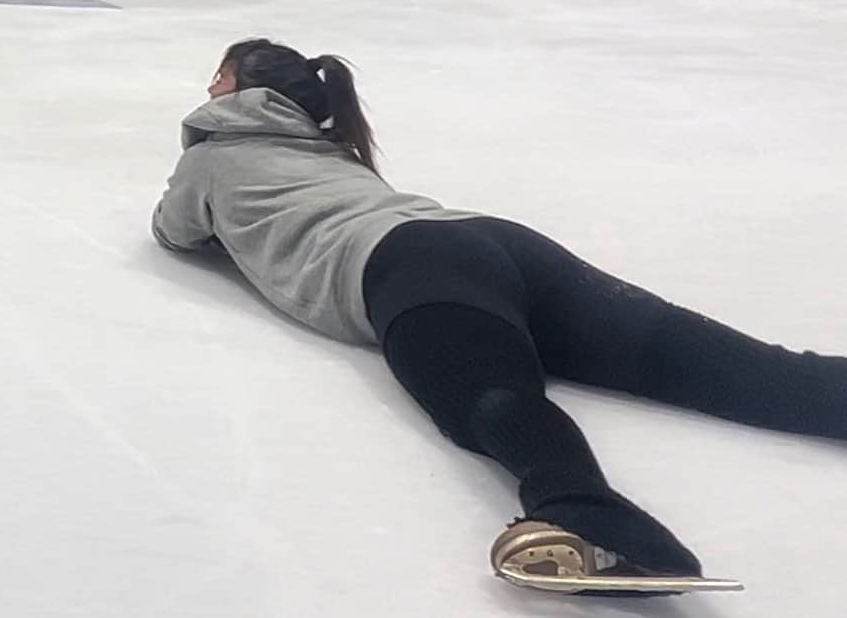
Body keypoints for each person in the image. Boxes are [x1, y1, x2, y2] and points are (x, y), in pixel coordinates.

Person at [152, 39, 845, 595]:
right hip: (491, 240)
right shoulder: (332, 150)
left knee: (492, 402)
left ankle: (588, 517)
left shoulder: (213, 156)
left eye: (216, 75)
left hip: (401, 267)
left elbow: (173, 231)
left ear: (229, 85)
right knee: (720, 364)